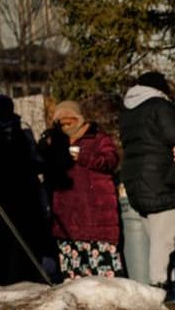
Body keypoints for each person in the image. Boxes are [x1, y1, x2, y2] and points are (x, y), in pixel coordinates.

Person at [40, 100, 122, 279]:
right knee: (74, 274)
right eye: (61, 123)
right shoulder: (55, 141)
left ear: (78, 119)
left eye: (68, 121)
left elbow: (111, 161)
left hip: (97, 214)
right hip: (68, 215)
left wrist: (83, 156)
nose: (65, 126)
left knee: (102, 273)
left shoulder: (98, 138)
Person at [0, 95, 50, 285]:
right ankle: (2, 278)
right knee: (0, 238)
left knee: (27, 235)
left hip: (25, 193)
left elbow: (34, 158)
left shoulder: (21, 129)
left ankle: (29, 274)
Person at [118, 71, 175, 289]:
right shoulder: (159, 106)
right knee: (164, 241)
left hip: (136, 181)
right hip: (161, 181)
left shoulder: (128, 110)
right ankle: (159, 286)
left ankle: (165, 283)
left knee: (156, 238)